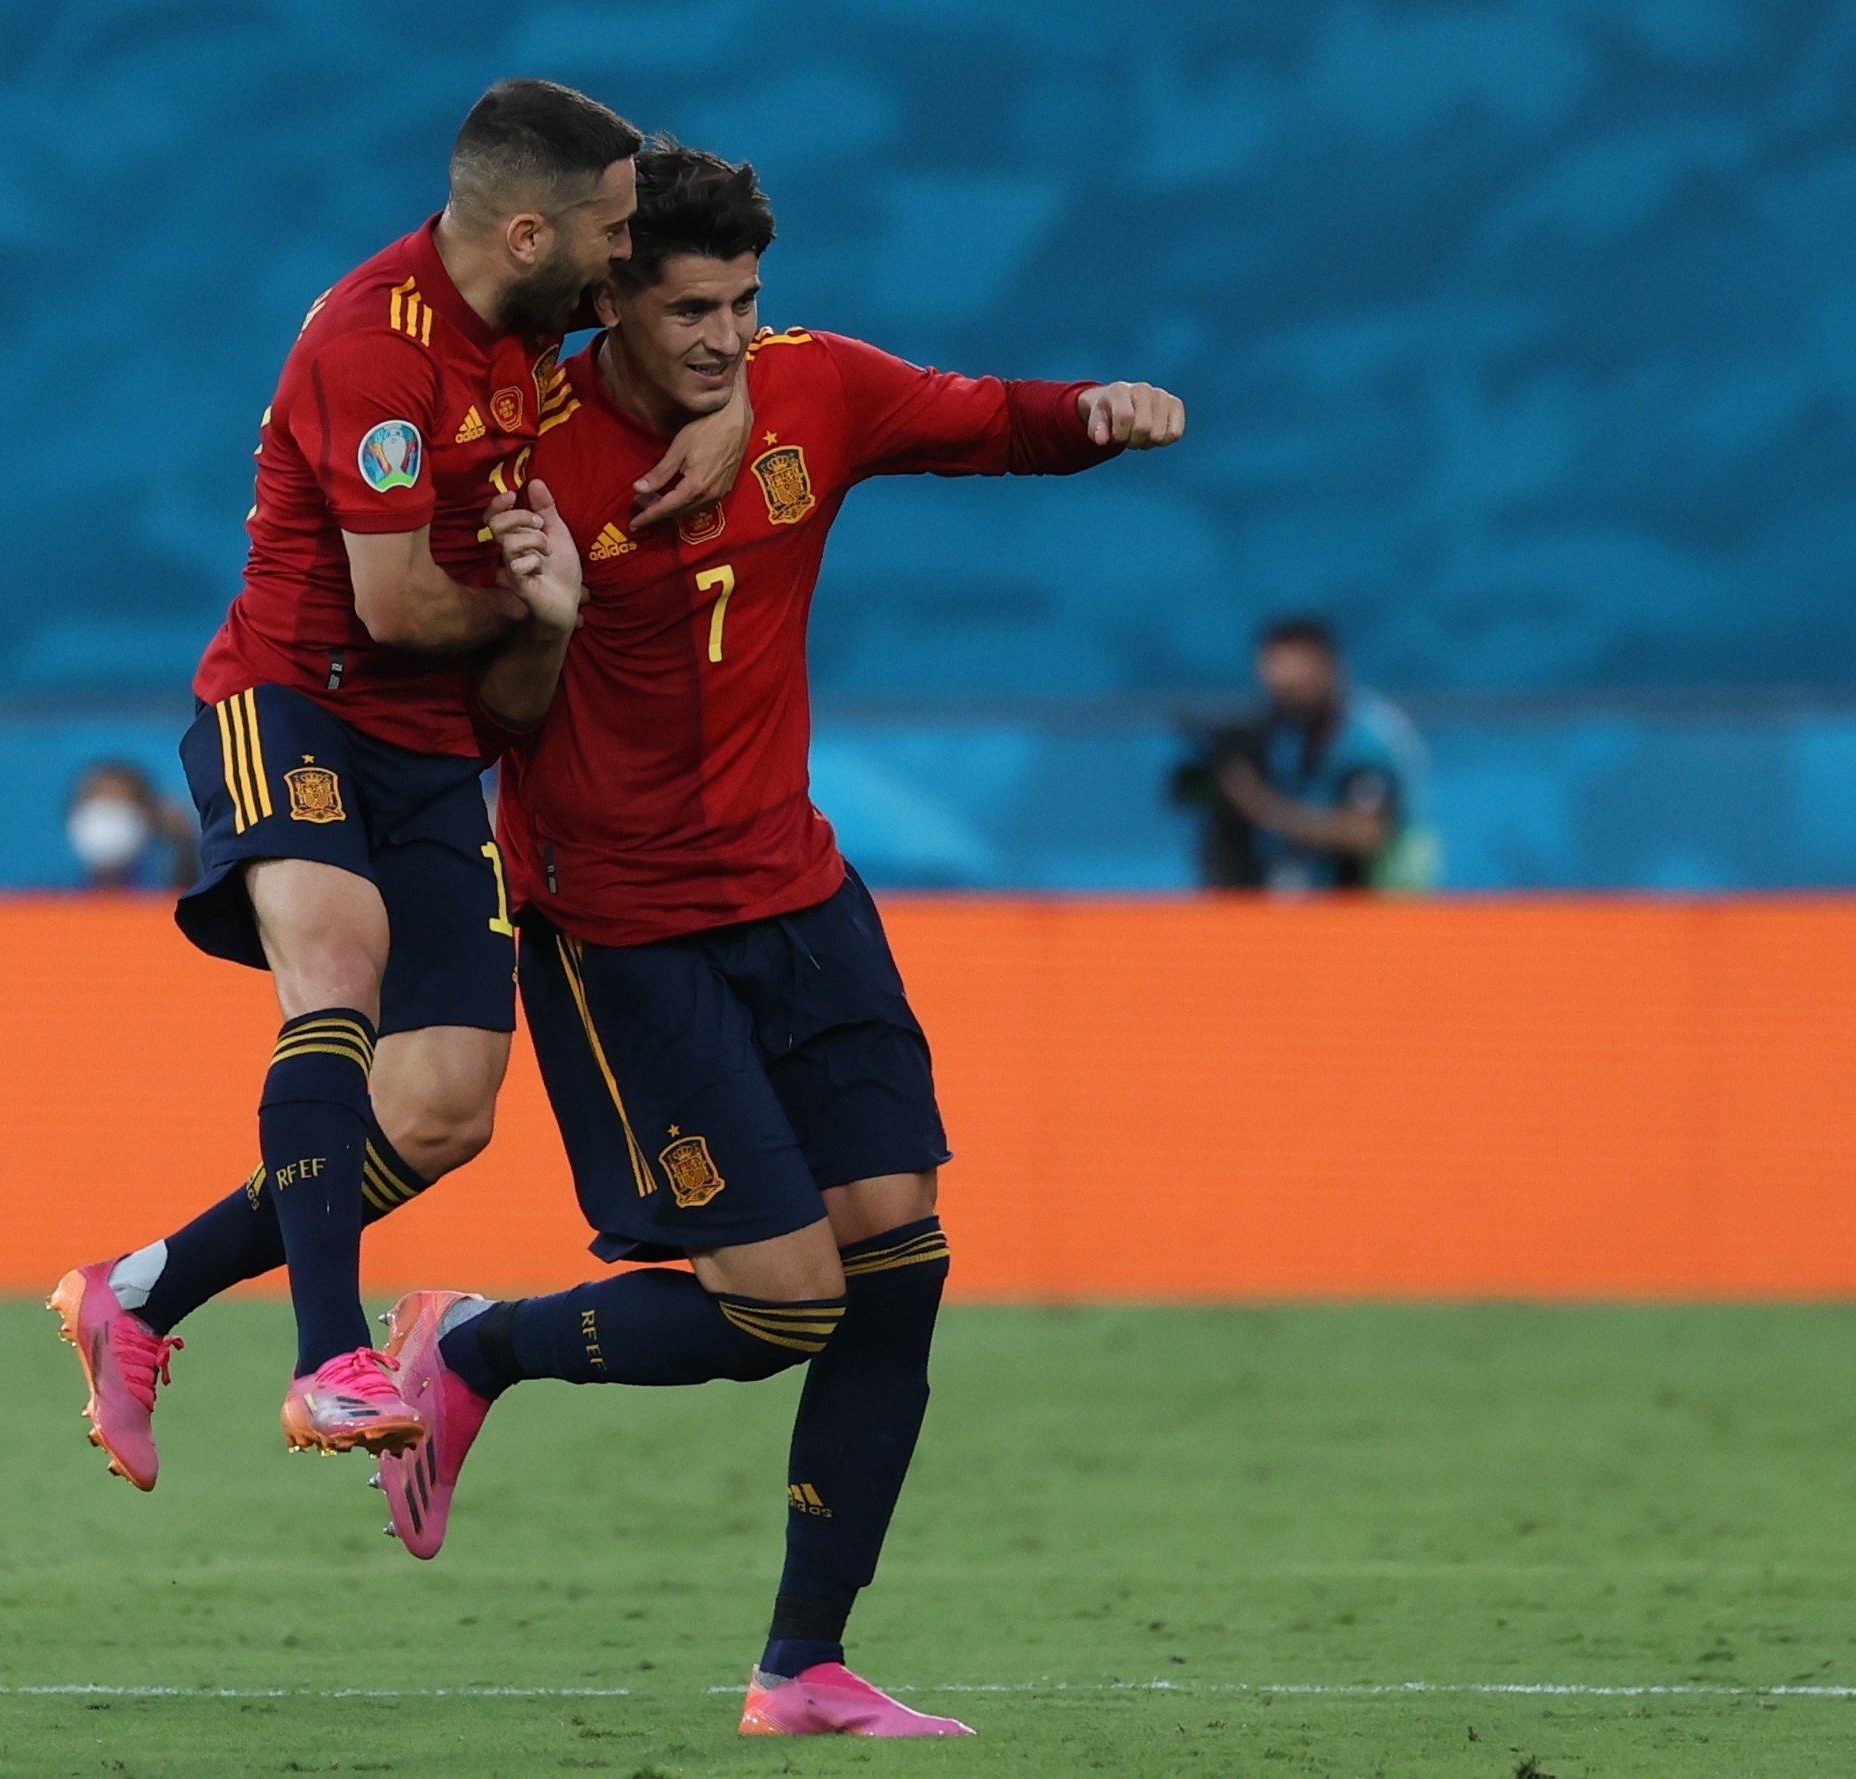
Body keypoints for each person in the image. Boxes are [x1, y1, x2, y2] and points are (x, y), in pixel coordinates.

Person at [366, 143, 1185, 1738]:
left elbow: (997, 421)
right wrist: (543, 614)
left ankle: (798, 1663)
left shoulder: (812, 392)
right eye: (692, 310)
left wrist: (1100, 413)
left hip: (802, 902)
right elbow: (479, 711)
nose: (728, 336)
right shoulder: (524, 452)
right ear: (606, 299)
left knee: (902, 1252)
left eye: (746, 303)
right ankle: (478, 1342)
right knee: (779, 1304)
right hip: (624, 932)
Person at [47, 79, 754, 1490]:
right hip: (291, 694)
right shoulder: (380, 345)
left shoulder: (532, 317)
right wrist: (539, 604)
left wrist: (734, 413)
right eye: (613, 233)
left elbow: (719, 340)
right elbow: (396, 606)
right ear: (534, 228)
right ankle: (325, 1357)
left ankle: (139, 1290)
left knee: (443, 1106)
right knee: (342, 958)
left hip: (434, 745)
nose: (630, 257)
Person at [1171, 616, 1436, 892]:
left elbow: (1364, 832)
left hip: (1385, 904)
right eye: (1278, 681)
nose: (1286, 691)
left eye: (1297, 680)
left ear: (1329, 668)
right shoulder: (1291, 733)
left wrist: (1258, 804)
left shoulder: (1366, 737)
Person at [64, 761, 198, 891]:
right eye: (97, 801)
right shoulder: (58, 897)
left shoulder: (163, 890)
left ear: (146, 816)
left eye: (119, 802)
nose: (108, 815)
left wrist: (184, 845)